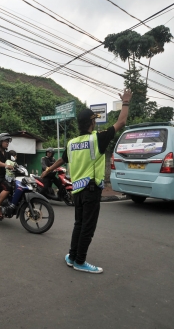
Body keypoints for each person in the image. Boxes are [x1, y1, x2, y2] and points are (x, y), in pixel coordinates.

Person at [42, 89, 133, 274]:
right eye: (94, 120)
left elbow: (62, 160)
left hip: (76, 190)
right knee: (87, 228)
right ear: (92, 122)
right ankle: (80, 261)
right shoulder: (97, 139)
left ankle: (72, 256)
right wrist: (125, 101)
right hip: (91, 190)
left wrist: (48, 170)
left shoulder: (71, 143)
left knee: (79, 224)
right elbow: (121, 122)